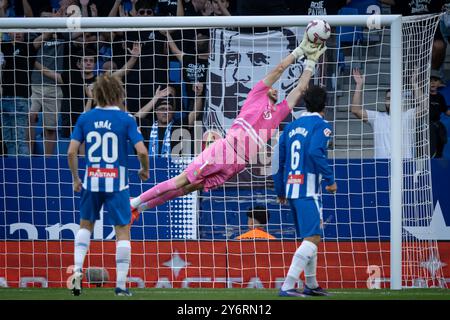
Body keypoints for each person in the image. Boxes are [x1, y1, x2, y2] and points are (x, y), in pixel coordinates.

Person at [129, 33, 327, 222]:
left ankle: (140, 211)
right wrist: (301, 50)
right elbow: (279, 69)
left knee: (187, 189)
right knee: (181, 181)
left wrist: (311, 62)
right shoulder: (256, 94)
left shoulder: (279, 113)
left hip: (237, 165)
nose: (275, 89)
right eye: (272, 88)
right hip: (223, 151)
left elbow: (300, 89)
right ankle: (134, 202)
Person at [67, 74, 149, 297]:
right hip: (117, 183)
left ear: (96, 95)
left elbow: (72, 151)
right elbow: (141, 151)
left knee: (85, 226)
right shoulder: (126, 119)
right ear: (119, 94)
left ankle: (76, 273)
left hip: (92, 180)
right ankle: (121, 286)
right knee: (122, 232)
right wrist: (145, 169)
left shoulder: (85, 118)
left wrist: (76, 178)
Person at [273, 85, 337, 297]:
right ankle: (288, 285)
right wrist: (330, 178)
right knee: (313, 238)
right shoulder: (322, 125)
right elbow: (315, 151)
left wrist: (280, 190)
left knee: (310, 238)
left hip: (291, 190)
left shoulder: (290, 127)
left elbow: (279, 162)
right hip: (307, 190)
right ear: (324, 105)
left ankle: (311, 284)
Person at [208, 27, 302, 132]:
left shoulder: (295, 131)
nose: (239, 76)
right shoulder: (216, 132)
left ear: (292, 74)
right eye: (232, 59)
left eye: (258, 60)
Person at [350, 68, 416, 159]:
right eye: (388, 99)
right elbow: (355, 110)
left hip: (404, 165)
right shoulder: (377, 117)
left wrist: (414, 84)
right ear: (385, 102)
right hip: (381, 166)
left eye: (394, 98)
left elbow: (425, 107)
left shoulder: (408, 115)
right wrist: (359, 84)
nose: (391, 101)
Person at [0, 32, 36, 155]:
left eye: (20, 30)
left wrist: (55, 21)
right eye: (14, 30)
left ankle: (24, 170)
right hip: (3, 99)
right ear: (8, 32)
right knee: (8, 141)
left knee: (19, 140)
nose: (18, 33)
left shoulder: (29, 47)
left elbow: (45, 37)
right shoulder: (3, 46)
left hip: (20, 100)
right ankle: (13, 170)